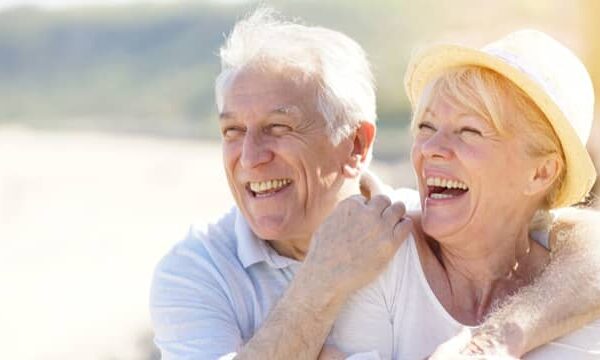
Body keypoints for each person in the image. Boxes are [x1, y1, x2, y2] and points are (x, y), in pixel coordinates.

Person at [150, 9, 600, 359]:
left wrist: (498, 338)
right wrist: (320, 283)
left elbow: (588, 243)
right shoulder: (196, 270)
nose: (249, 157)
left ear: (357, 145)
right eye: (232, 131)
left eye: (279, 128)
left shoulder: (411, 232)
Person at [325, 30, 600, 359]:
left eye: (469, 131)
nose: (430, 149)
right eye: (426, 127)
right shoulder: (383, 256)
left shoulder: (582, 310)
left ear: (541, 172)